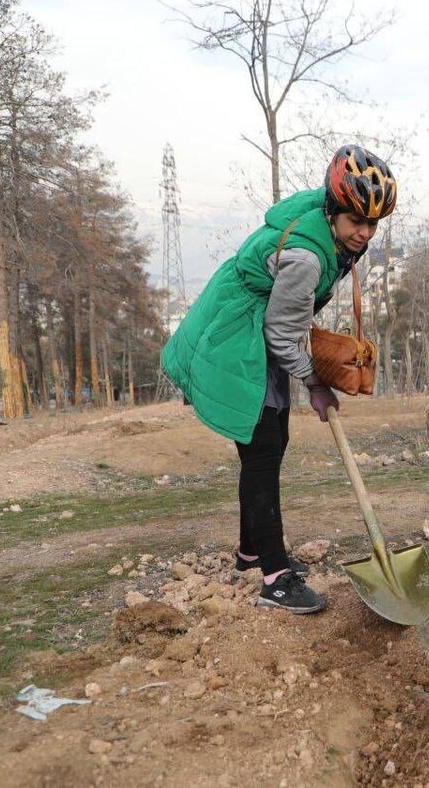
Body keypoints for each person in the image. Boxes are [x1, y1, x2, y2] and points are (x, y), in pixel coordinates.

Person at [162, 145, 397, 615]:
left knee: (269, 442)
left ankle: (252, 553)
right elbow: (281, 336)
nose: (364, 233)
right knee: (263, 449)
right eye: (356, 221)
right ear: (332, 209)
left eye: (373, 224)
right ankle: (274, 578)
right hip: (235, 338)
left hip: (251, 327)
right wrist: (315, 383)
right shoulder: (306, 258)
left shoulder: (329, 223)